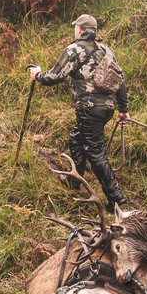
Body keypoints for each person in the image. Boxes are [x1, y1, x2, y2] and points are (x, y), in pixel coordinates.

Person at [28, 14, 129, 212]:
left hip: (89, 108)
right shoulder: (106, 50)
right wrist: (123, 109)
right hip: (106, 109)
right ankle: (74, 180)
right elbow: (120, 81)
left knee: (95, 151)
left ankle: (115, 197)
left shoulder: (75, 49)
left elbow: (54, 76)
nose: (74, 30)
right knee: (76, 138)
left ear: (80, 29)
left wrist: (37, 74)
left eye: (75, 27)